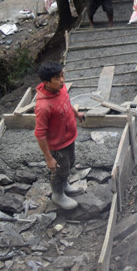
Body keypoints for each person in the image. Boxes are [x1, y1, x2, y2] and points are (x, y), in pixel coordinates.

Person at [34, 61, 86, 210]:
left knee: (69, 163)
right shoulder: (43, 107)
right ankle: (57, 195)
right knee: (60, 170)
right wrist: (49, 158)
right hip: (57, 145)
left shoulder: (61, 89)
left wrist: (77, 114)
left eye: (62, 75)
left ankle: (65, 185)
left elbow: (67, 104)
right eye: (57, 78)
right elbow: (39, 134)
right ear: (46, 82)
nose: (62, 80)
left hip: (69, 137)